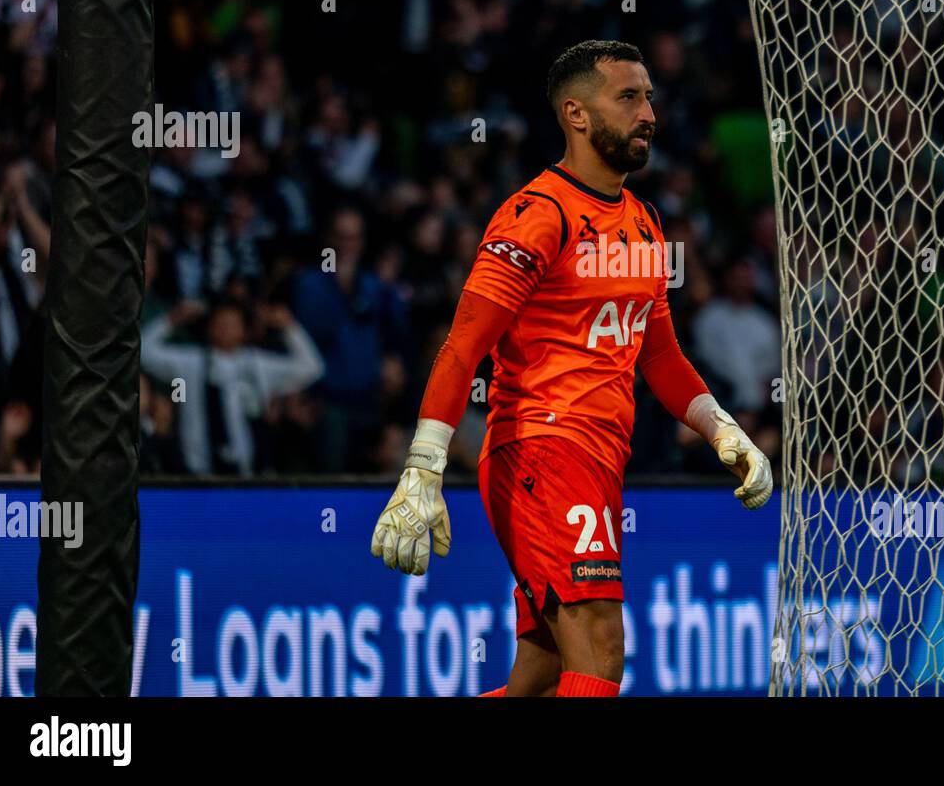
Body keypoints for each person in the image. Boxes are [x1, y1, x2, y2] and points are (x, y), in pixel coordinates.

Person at [370, 39, 773, 697]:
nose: (649, 113)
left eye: (649, 97)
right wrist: (423, 468)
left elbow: (661, 356)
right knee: (601, 650)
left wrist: (723, 429)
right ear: (577, 114)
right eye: (629, 97)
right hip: (543, 451)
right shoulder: (537, 215)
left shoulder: (643, 225)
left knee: (542, 672)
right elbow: (462, 346)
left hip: (597, 461)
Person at [141, 300, 324, 476]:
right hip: (197, 473)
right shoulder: (189, 362)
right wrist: (172, 319)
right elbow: (143, 352)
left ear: (245, 330)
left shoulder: (259, 364)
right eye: (220, 323)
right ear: (209, 327)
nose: (225, 329)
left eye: (232, 324)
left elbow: (311, 368)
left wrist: (289, 326)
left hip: (248, 475)